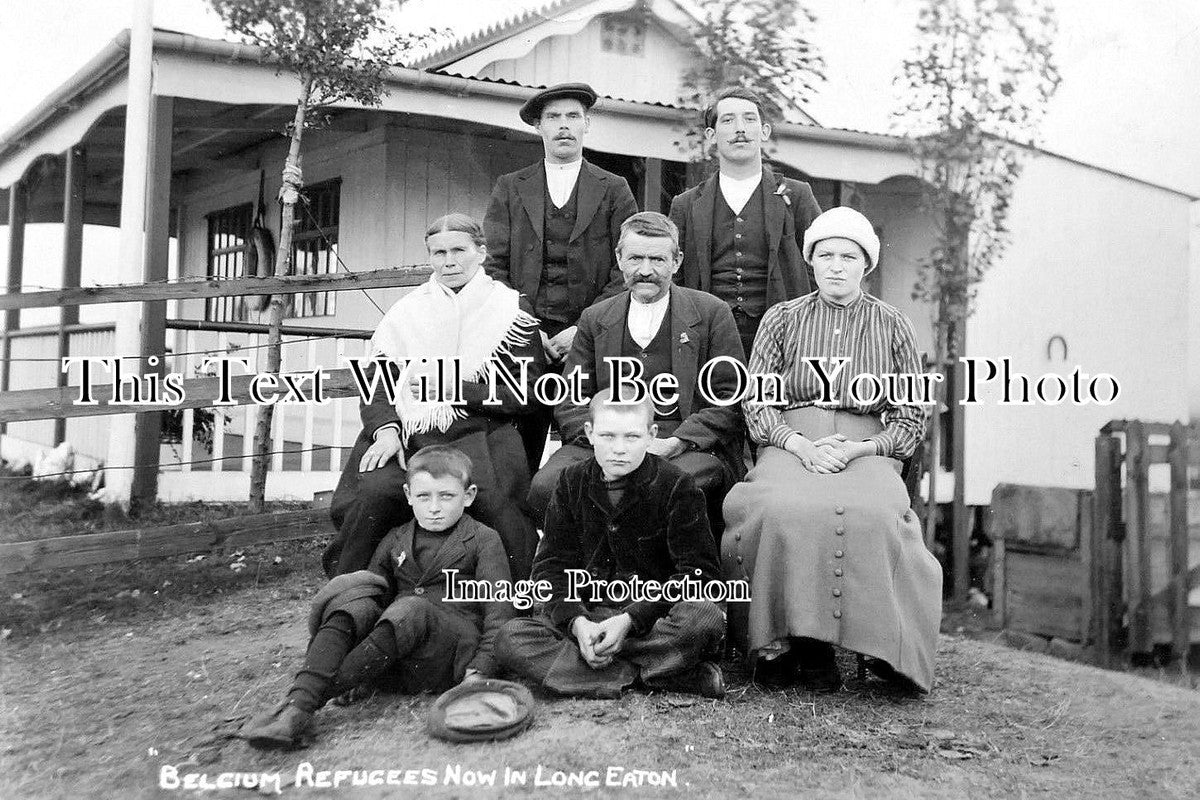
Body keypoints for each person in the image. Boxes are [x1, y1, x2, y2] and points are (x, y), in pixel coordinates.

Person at [721, 206, 942, 693]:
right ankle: (784, 644)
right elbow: (757, 401)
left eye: (848, 256)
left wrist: (862, 450)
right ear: (811, 262)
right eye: (825, 255)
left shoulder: (895, 325)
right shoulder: (782, 319)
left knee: (875, 514)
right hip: (790, 439)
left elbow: (910, 418)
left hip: (866, 446)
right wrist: (799, 444)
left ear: (867, 264)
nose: (836, 265)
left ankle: (882, 648)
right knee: (777, 508)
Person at [241, 446, 514, 749]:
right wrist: (351, 612)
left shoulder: (482, 538)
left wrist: (480, 670)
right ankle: (298, 708)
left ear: (469, 495)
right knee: (353, 604)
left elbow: (500, 610)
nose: (434, 507)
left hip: (446, 655)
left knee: (411, 607)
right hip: (394, 657)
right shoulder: (395, 538)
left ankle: (301, 704)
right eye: (424, 497)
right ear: (409, 495)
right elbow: (374, 597)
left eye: (446, 496)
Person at [325, 214, 543, 581]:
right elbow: (377, 381)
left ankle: (519, 604)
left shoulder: (509, 310)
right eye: (439, 253)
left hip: (482, 431)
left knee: (493, 502)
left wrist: (455, 389)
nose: (449, 261)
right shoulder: (407, 311)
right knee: (375, 494)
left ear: (481, 253)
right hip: (409, 434)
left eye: (459, 250)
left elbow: (525, 392)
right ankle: (349, 592)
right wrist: (385, 430)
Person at [495, 390, 727, 699]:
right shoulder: (569, 483)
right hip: (589, 615)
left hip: (652, 619)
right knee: (511, 638)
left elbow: (700, 575)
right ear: (589, 433)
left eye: (632, 437)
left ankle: (592, 671)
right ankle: (660, 674)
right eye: (607, 436)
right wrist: (577, 623)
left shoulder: (677, 485)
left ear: (651, 435)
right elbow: (551, 568)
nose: (619, 449)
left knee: (704, 617)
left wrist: (631, 620)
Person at [527, 212, 746, 534]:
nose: (646, 270)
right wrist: (606, 441)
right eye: (635, 258)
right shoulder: (595, 317)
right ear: (619, 259)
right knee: (547, 487)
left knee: (661, 491)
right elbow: (570, 397)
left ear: (677, 261)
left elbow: (729, 397)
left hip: (680, 444)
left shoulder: (712, 313)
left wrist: (677, 441)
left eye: (657, 259)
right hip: (605, 440)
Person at [484, 82, 639, 471]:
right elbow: (494, 267)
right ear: (538, 127)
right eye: (553, 117)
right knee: (517, 447)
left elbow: (629, 266)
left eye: (573, 117)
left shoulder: (614, 188)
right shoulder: (510, 187)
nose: (563, 126)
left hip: (593, 336)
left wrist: (585, 327)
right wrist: (523, 327)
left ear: (587, 123)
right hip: (524, 339)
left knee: (592, 441)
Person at [669, 87, 822, 356]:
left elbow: (819, 266)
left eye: (749, 119)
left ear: (764, 132)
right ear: (711, 136)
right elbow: (674, 276)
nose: (740, 128)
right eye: (728, 120)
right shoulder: (686, 204)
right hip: (707, 339)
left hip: (784, 337)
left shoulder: (796, 196)